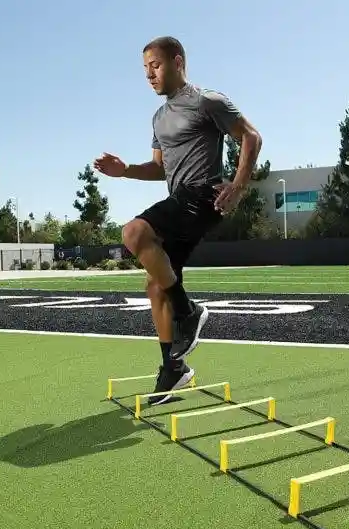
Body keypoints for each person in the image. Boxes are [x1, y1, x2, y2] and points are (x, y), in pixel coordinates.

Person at [93, 36, 262, 405]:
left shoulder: (207, 101)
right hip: (178, 201)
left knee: (133, 231)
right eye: (144, 69)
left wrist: (238, 185)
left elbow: (251, 136)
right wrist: (124, 171)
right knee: (155, 286)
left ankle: (188, 312)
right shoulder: (158, 118)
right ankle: (174, 367)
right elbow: (159, 168)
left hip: (203, 195)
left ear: (177, 61)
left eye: (155, 65)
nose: (149, 74)